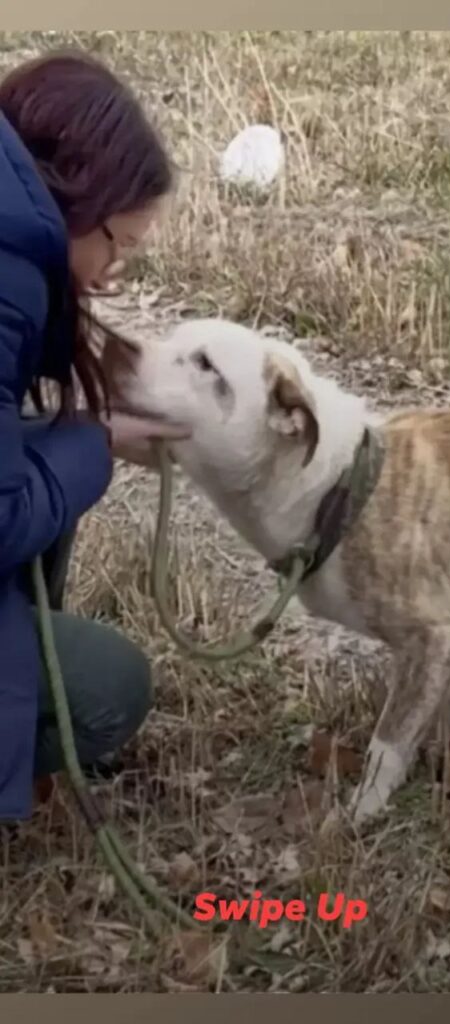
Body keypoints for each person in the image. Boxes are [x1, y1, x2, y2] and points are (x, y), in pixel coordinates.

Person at [0, 50, 190, 822]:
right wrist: (97, 441)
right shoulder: (8, 279)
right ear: (76, 194)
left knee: (45, 445)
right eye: (119, 244)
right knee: (112, 687)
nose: (112, 275)